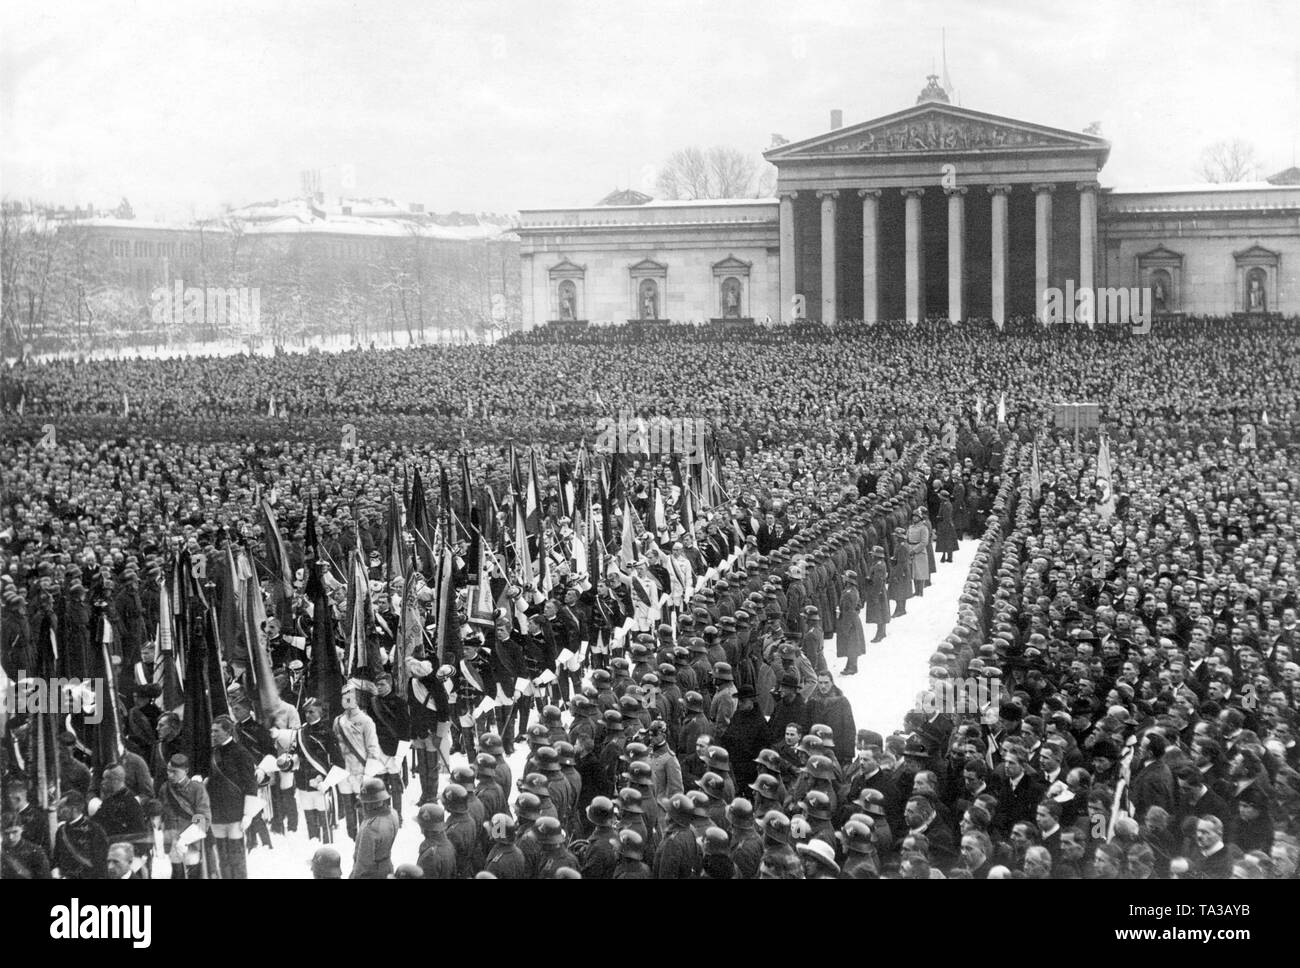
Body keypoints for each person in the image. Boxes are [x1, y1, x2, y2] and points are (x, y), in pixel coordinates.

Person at [207, 714, 259, 880]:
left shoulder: (241, 753)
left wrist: (248, 814)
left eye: (216, 731)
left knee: (237, 858)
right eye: (212, 731)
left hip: (235, 813)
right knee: (222, 858)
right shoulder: (212, 753)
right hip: (217, 813)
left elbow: (250, 784)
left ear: (228, 731)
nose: (212, 734)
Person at [350, 778, 399, 879]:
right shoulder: (393, 814)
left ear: (366, 804)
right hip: (387, 868)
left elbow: (363, 864)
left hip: (370, 874)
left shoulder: (370, 828)